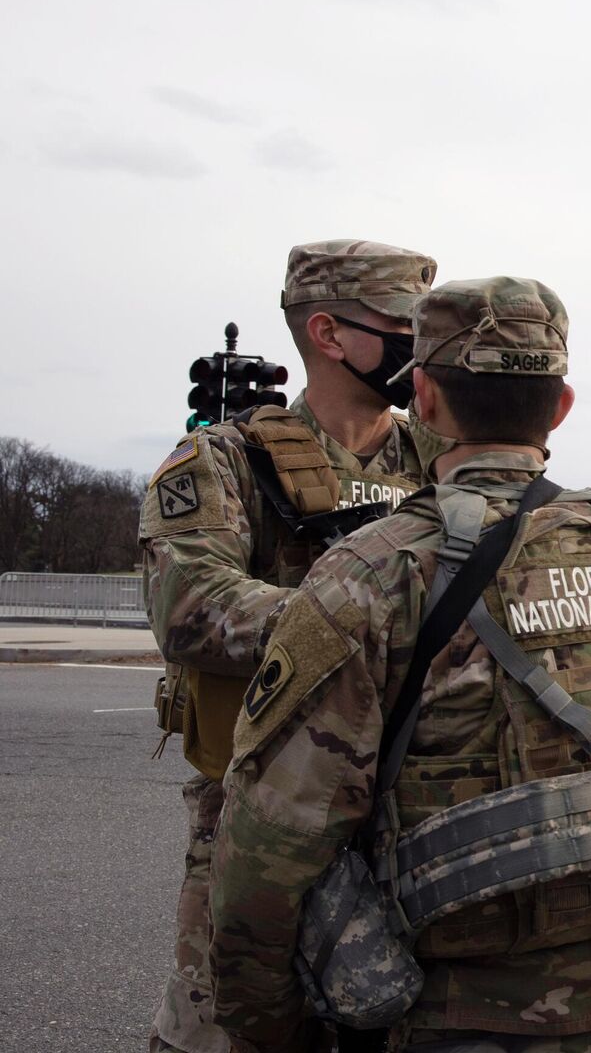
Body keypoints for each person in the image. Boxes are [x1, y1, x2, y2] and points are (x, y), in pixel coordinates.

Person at [207, 275, 591, 1052]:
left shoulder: (370, 572)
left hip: (451, 1018)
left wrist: (261, 1024)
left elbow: (270, 843)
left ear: (426, 400)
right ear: (562, 404)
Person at [141, 239, 439, 1053]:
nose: (425, 345)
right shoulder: (226, 459)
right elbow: (192, 604)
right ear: (328, 333)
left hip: (421, 801)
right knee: (230, 1028)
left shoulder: (443, 457)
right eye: (403, 326)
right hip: (260, 810)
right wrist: (369, 622)